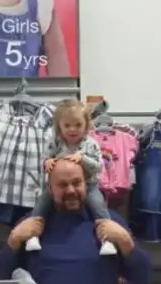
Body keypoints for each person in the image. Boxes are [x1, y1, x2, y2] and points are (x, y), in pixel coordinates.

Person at [0, 159, 151, 284]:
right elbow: (1, 276)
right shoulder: (30, 224)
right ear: (50, 189)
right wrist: (13, 241)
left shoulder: (110, 222)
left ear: (86, 185)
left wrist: (126, 242)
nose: (71, 190)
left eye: (76, 183)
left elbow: (142, 277)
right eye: (62, 185)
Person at [25, 99, 117, 255]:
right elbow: (44, 159)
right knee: (41, 204)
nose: (72, 130)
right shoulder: (55, 142)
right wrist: (47, 162)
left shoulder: (91, 144)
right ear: (59, 127)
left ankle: (107, 240)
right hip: (57, 187)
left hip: (88, 185)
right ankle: (33, 236)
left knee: (98, 206)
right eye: (67, 125)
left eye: (78, 125)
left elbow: (98, 166)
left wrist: (83, 159)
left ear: (86, 125)